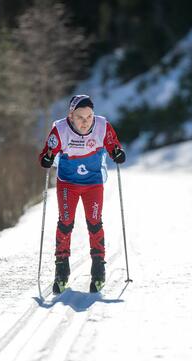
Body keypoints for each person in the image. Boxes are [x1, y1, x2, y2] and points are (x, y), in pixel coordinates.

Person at [38, 95, 126, 294]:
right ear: (71, 116)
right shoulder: (60, 130)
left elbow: (114, 146)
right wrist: (46, 158)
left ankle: (98, 269)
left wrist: (118, 153)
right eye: (80, 117)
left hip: (93, 183)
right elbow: (46, 153)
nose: (86, 122)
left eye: (89, 117)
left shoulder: (103, 126)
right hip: (68, 183)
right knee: (66, 222)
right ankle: (61, 270)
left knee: (94, 222)